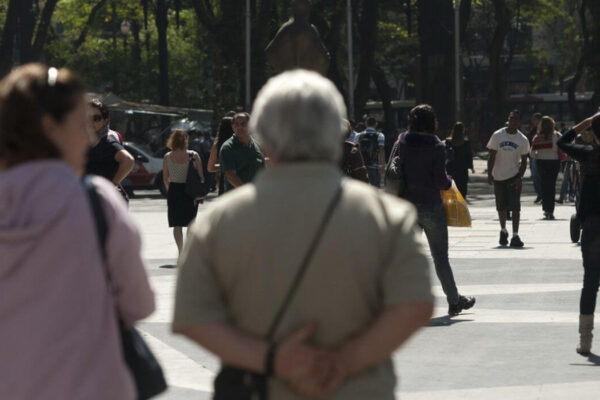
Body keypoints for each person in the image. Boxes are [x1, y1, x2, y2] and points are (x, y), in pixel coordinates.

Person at [172, 69, 433, 399]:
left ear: (263, 137)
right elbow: (416, 305)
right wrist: (345, 362)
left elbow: (191, 318)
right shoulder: (389, 217)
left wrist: (274, 360)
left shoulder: (220, 221)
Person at [0, 64, 154, 399]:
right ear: (49, 128)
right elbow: (139, 304)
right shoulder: (97, 202)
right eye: (78, 123)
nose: (87, 136)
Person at [389, 104, 475, 316]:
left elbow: (391, 166)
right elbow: (441, 181)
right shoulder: (436, 146)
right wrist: (449, 181)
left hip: (406, 207)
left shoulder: (401, 141)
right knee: (440, 257)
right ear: (431, 122)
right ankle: (454, 301)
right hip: (430, 207)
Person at [557, 112, 600, 355]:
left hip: (593, 225)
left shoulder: (588, 154)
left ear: (593, 132)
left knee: (590, 284)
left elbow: (561, 142)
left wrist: (586, 122)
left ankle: (585, 340)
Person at [487, 110, 530, 248]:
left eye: (516, 119)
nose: (512, 121)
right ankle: (503, 230)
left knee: (515, 207)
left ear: (519, 123)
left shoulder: (522, 140)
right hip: (498, 176)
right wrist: (489, 174)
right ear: (508, 120)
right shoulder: (497, 135)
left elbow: (524, 161)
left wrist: (519, 177)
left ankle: (515, 235)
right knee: (501, 207)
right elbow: (492, 155)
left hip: (513, 176)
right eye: (511, 118)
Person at [162, 129, 205, 255]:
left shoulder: (167, 156)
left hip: (174, 190)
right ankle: (189, 252)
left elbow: (165, 177)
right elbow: (201, 176)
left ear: (172, 140)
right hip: (190, 191)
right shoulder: (193, 155)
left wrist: (169, 190)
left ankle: (180, 251)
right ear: (186, 140)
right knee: (191, 223)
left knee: (177, 224)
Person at [86, 98, 134, 201]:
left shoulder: (107, 140)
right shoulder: (87, 140)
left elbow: (128, 160)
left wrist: (112, 185)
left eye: (96, 118)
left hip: (108, 202)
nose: (91, 121)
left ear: (105, 121)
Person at [265, 0, 330, 75]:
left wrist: (281, 69)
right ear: (307, 8)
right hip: (305, 78)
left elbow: (269, 52)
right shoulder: (310, 30)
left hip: (289, 77)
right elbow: (325, 57)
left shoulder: (285, 28)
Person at [218, 112, 265, 193]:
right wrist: (248, 193)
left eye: (243, 124)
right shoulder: (228, 147)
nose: (240, 127)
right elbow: (231, 176)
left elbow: (263, 170)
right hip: (236, 199)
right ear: (232, 127)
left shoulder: (257, 145)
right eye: (236, 124)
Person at [530, 116, 562, 219]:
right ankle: (551, 211)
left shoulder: (537, 137)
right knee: (551, 186)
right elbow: (562, 148)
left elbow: (532, 154)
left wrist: (539, 155)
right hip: (554, 163)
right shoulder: (557, 136)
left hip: (542, 163)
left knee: (544, 186)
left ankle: (546, 210)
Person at [445, 122, 474, 198]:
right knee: (462, 191)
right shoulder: (466, 143)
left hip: (450, 169)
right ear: (463, 131)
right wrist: (471, 167)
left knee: (451, 190)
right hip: (462, 170)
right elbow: (469, 155)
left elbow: (444, 155)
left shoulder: (448, 142)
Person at [207, 116, 235, 195]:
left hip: (224, 181)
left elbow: (210, 167)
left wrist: (224, 166)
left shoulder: (217, 145)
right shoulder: (241, 142)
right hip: (241, 179)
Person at [355, 117, 386, 188]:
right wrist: (383, 165)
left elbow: (355, 150)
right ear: (376, 124)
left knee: (362, 188)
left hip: (362, 166)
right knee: (376, 188)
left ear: (366, 124)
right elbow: (381, 150)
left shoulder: (358, 135)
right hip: (375, 166)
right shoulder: (380, 136)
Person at [527, 112, 543, 203]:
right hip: (533, 155)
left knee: (539, 176)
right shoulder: (533, 129)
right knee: (535, 177)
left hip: (540, 156)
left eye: (534, 119)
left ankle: (542, 194)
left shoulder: (543, 129)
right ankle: (539, 194)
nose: (532, 121)